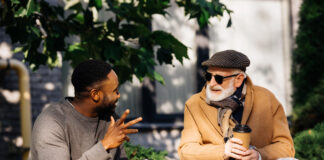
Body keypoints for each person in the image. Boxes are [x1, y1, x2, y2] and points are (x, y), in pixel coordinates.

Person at [178, 50, 295, 160]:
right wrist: (222, 151)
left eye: (219, 78)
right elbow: (186, 150)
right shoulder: (194, 104)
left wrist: (259, 155)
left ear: (238, 79)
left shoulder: (267, 99)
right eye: (208, 77)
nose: (212, 83)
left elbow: (286, 147)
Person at [30, 60, 142, 160]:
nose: (118, 96)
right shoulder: (51, 123)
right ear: (95, 95)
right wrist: (104, 145)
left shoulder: (110, 119)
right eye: (115, 91)